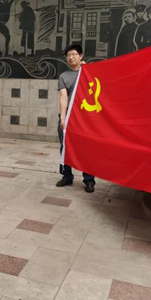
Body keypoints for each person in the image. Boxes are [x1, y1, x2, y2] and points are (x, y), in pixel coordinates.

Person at [56, 44, 95, 193]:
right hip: (69, 118)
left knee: (87, 149)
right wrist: (63, 118)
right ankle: (67, 176)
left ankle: (89, 180)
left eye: (74, 54)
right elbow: (63, 97)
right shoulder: (63, 76)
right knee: (65, 147)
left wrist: (87, 69)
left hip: (85, 118)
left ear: (81, 56)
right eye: (68, 55)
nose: (71, 57)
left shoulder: (88, 72)